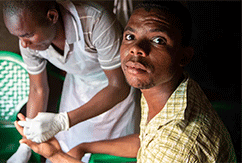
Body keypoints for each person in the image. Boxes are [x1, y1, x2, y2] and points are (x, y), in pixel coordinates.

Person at [14, 1, 237, 162]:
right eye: (130, 37)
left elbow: (161, 146)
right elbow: (145, 141)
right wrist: (84, 146)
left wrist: (56, 154)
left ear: (184, 57)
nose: (136, 49)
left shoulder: (177, 147)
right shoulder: (170, 91)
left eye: (158, 40)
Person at [3, 0, 140, 162]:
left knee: (102, 156)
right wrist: (27, 144)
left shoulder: (95, 22)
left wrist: (63, 121)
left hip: (114, 96)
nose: (24, 44)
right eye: (19, 36)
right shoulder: (27, 37)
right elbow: (37, 89)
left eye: (28, 35)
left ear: (52, 16)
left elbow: (119, 86)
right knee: (66, 152)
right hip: (77, 88)